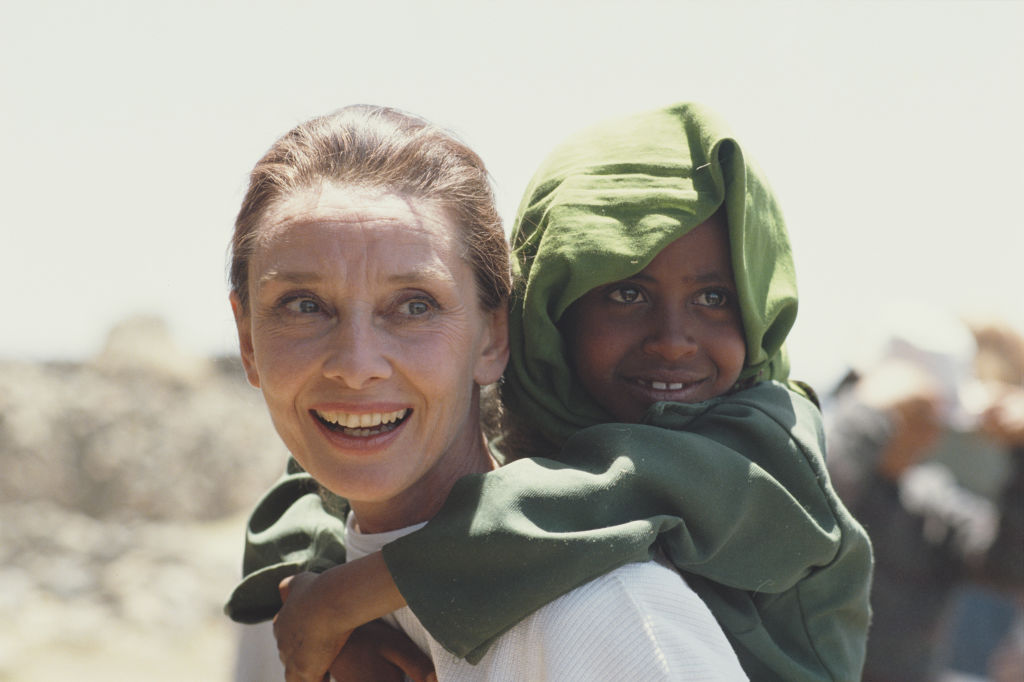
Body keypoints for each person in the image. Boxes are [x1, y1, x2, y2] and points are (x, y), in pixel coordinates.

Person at [226, 102, 873, 681]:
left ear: (495, 332)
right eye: (625, 291)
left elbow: (606, 494)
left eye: (715, 298)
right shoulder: (536, 426)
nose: (674, 340)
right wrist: (305, 591)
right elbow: (314, 486)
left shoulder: (760, 448)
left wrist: (347, 598)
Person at [824, 308, 1024, 682]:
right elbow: (814, 501)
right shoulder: (816, 463)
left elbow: (1008, 567)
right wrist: (869, 411)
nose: (928, 436)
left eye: (935, 422)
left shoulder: (931, 504)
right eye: (913, 417)